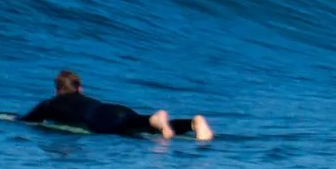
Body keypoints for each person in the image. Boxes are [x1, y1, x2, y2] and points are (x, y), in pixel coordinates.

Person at [20, 70, 212, 140]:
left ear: (56, 90)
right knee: (142, 125)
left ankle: (155, 119)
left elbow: (26, 120)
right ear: (80, 89)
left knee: (136, 129)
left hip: (99, 119)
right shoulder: (86, 98)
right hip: (113, 109)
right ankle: (191, 123)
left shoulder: (49, 104)